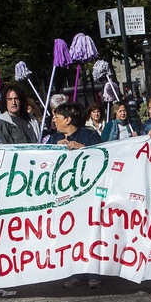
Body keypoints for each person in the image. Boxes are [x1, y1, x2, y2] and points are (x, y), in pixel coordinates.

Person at [50, 102, 103, 289]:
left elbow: (104, 155)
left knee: (89, 232)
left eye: (57, 116)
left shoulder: (89, 135)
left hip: (87, 195)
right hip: (63, 197)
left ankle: (93, 272)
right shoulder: (53, 138)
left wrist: (83, 149)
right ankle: (75, 272)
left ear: (68, 119)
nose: (54, 119)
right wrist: (53, 149)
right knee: (69, 234)